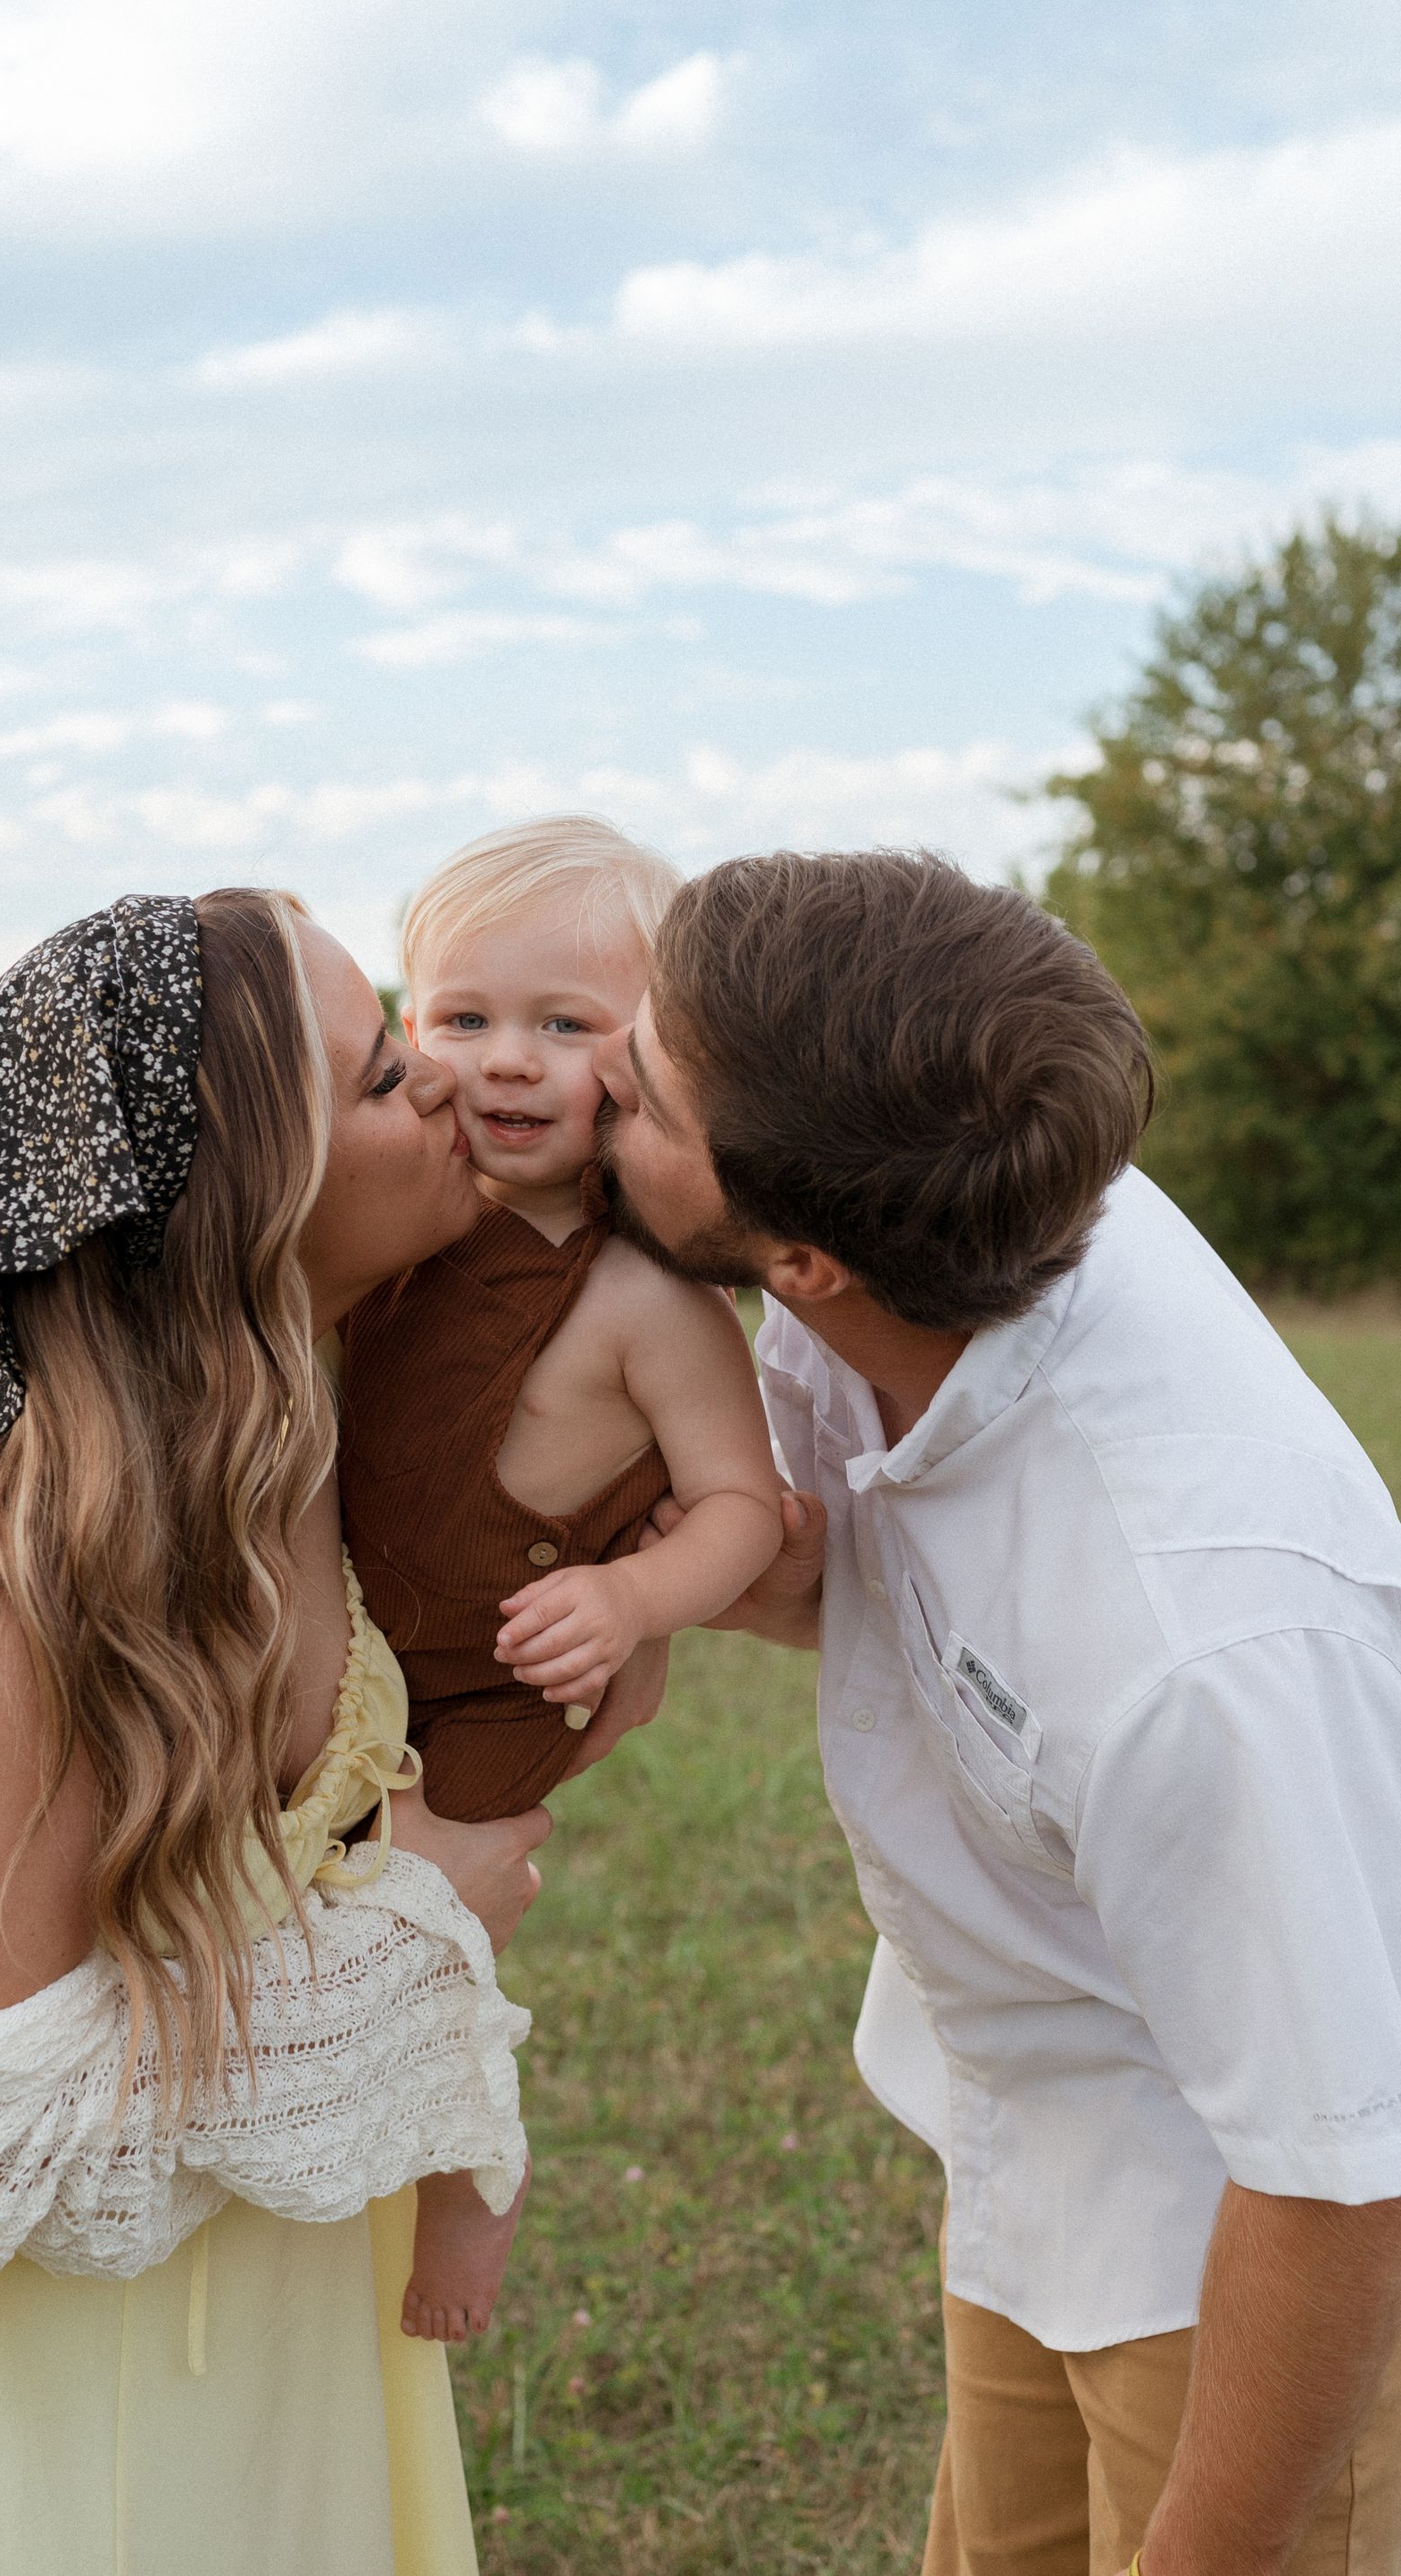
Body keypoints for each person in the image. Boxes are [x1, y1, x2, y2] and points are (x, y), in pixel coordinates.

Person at [0, 888, 553, 2576]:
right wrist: (423, 1927)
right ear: (240, 1205)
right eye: (390, 1074)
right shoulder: (2, 1568)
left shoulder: (290, 1414)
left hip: (252, 2309)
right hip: (31, 2416)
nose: (454, 1086)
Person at [595, 848, 1401, 2575]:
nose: (602, 1077)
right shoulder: (932, 1197)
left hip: (1250, 2250)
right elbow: (934, 1617)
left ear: (798, 1257)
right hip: (1030, 2150)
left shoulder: (1202, 1639)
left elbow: (1342, 2174)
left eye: (646, 1083)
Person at [339, 816, 783, 2344]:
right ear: (409, 1031)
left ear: (648, 1060)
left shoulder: (644, 1295)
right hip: (336, 1647)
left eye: (565, 1025)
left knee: (429, 1940)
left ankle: (469, 2181)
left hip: (501, 1675)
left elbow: (745, 1504)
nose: (508, 1060)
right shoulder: (392, 1226)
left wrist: (637, 1603)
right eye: (463, 1018)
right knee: (292, 1922)